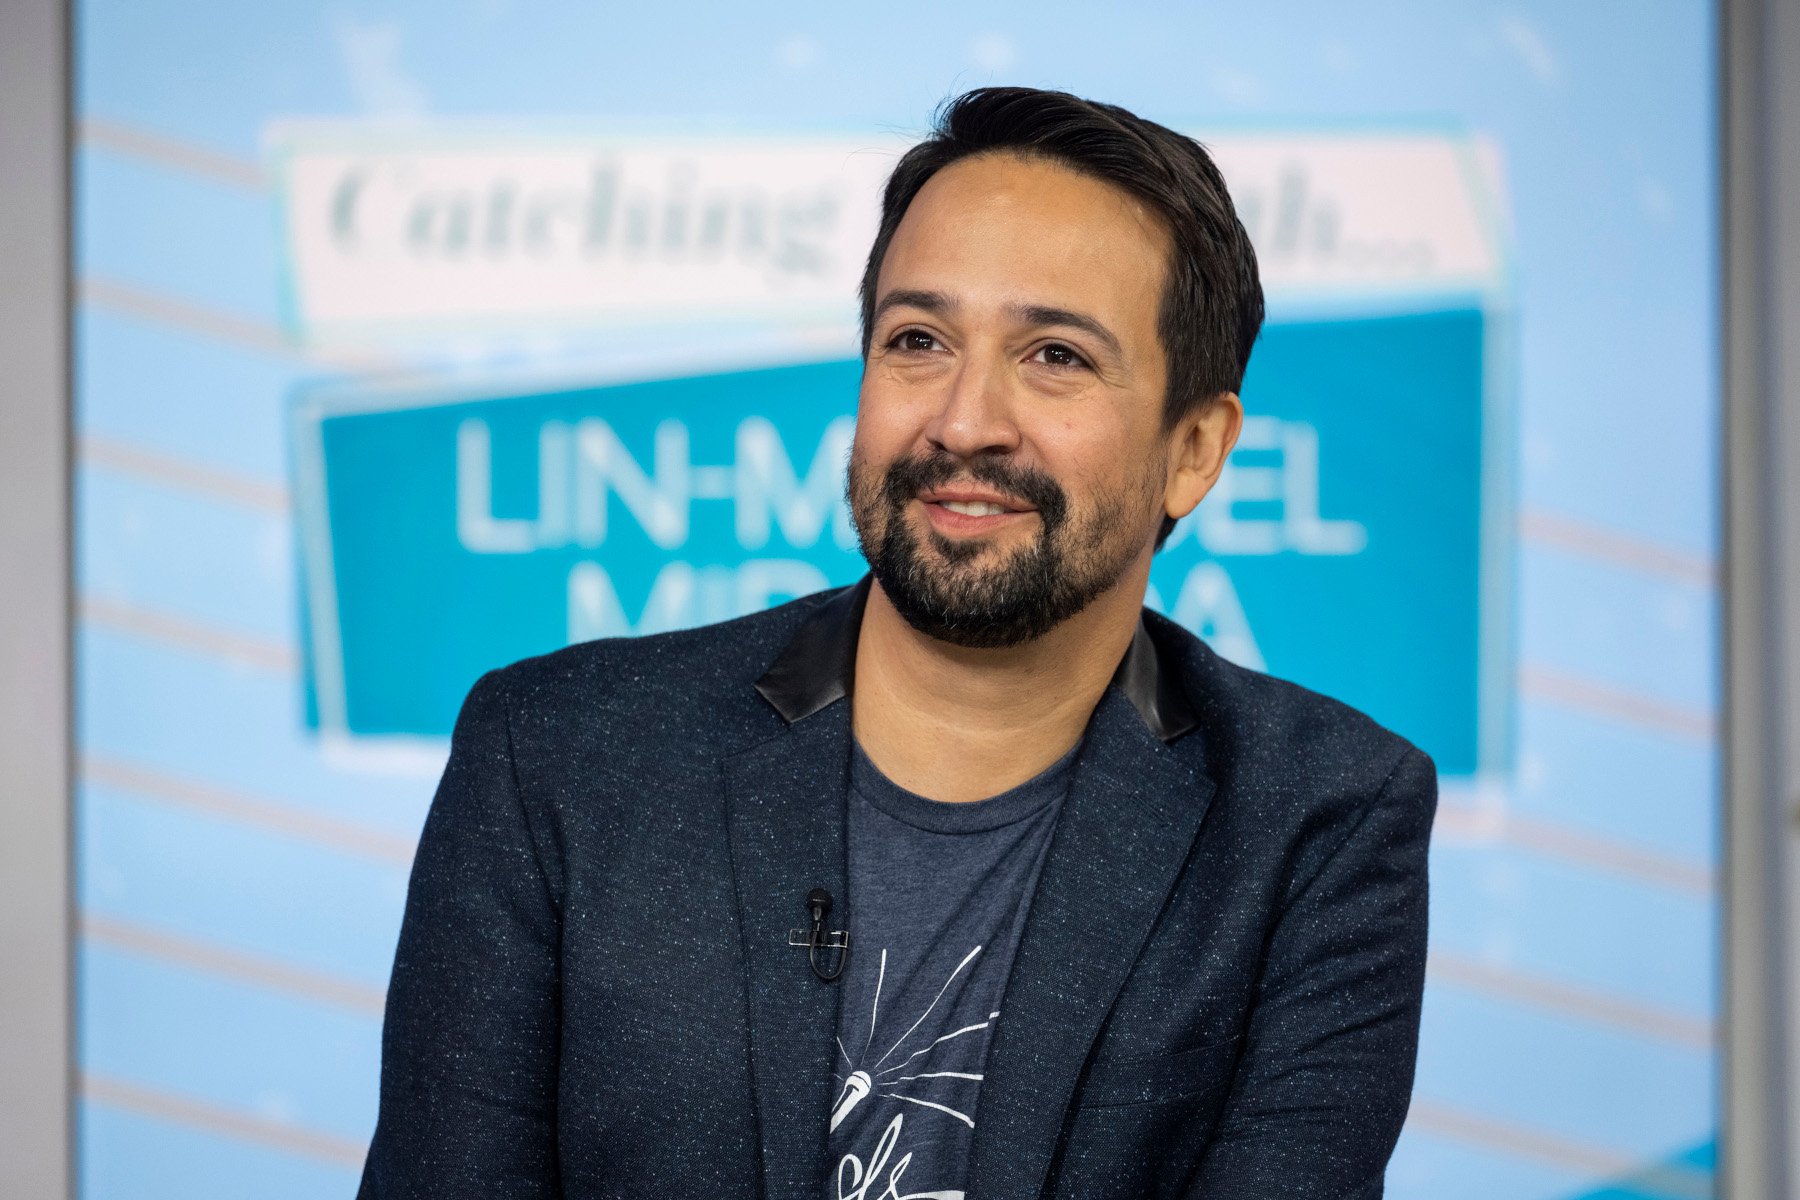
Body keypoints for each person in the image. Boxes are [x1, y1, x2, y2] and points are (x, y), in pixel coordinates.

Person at [356, 85, 1438, 1200]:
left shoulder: (1321, 821)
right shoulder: (556, 755)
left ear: (1195, 448)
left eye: (1056, 356)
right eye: (918, 340)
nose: (964, 422)